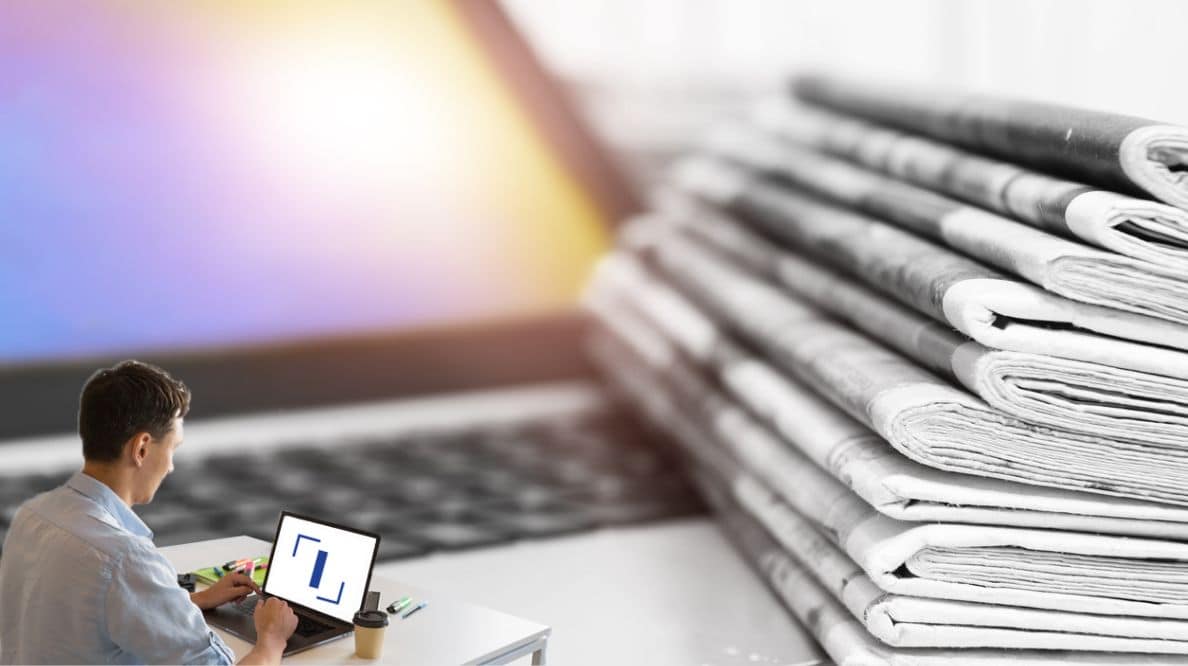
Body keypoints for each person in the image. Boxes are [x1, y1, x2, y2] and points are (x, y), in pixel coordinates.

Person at [0, 361, 298, 664]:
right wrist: (272, 639)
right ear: (142, 448)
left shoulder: (34, 515)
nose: (170, 466)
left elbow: (79, 613)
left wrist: (191, 601)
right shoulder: (124, 559)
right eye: (173, 448)